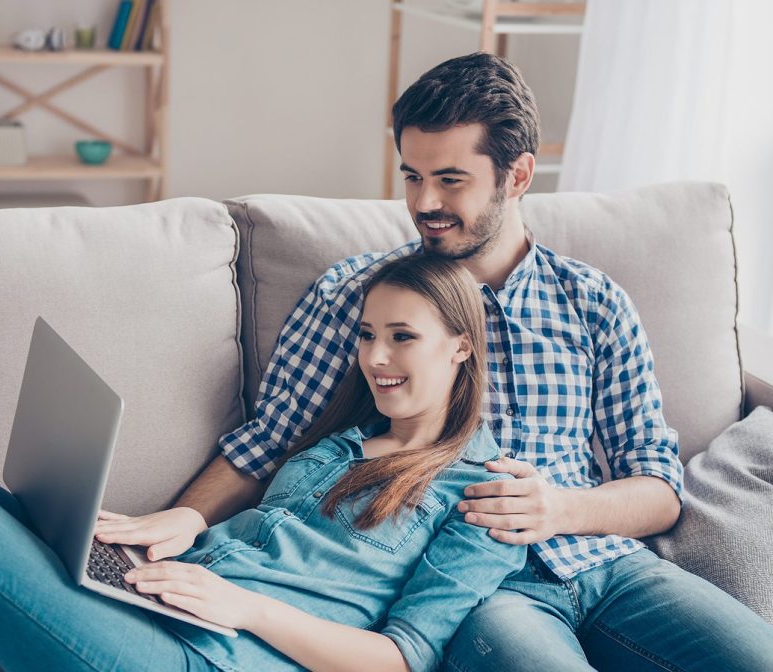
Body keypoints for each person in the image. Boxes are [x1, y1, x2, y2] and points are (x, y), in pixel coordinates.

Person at [111, 52, 773, 670]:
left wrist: (561, 510)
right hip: (481, 590)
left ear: (517, 176)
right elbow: (269, 441)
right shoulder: (358, 295)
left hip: (607, 561)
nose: (423, 203)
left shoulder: (593, 303)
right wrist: (189, 515)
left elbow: (658, 487)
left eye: (450, 180)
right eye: (412, 175)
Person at [0, 254, 525, 671]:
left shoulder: (483, 496)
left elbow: (400, 661)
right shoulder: (343, 439)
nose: (375, 357)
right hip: (155, 601)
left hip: (205, 655)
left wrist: (247, 607)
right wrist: (174, 532)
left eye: (402, 337)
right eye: (365, 334)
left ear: (462, 346)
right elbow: (257, 529)